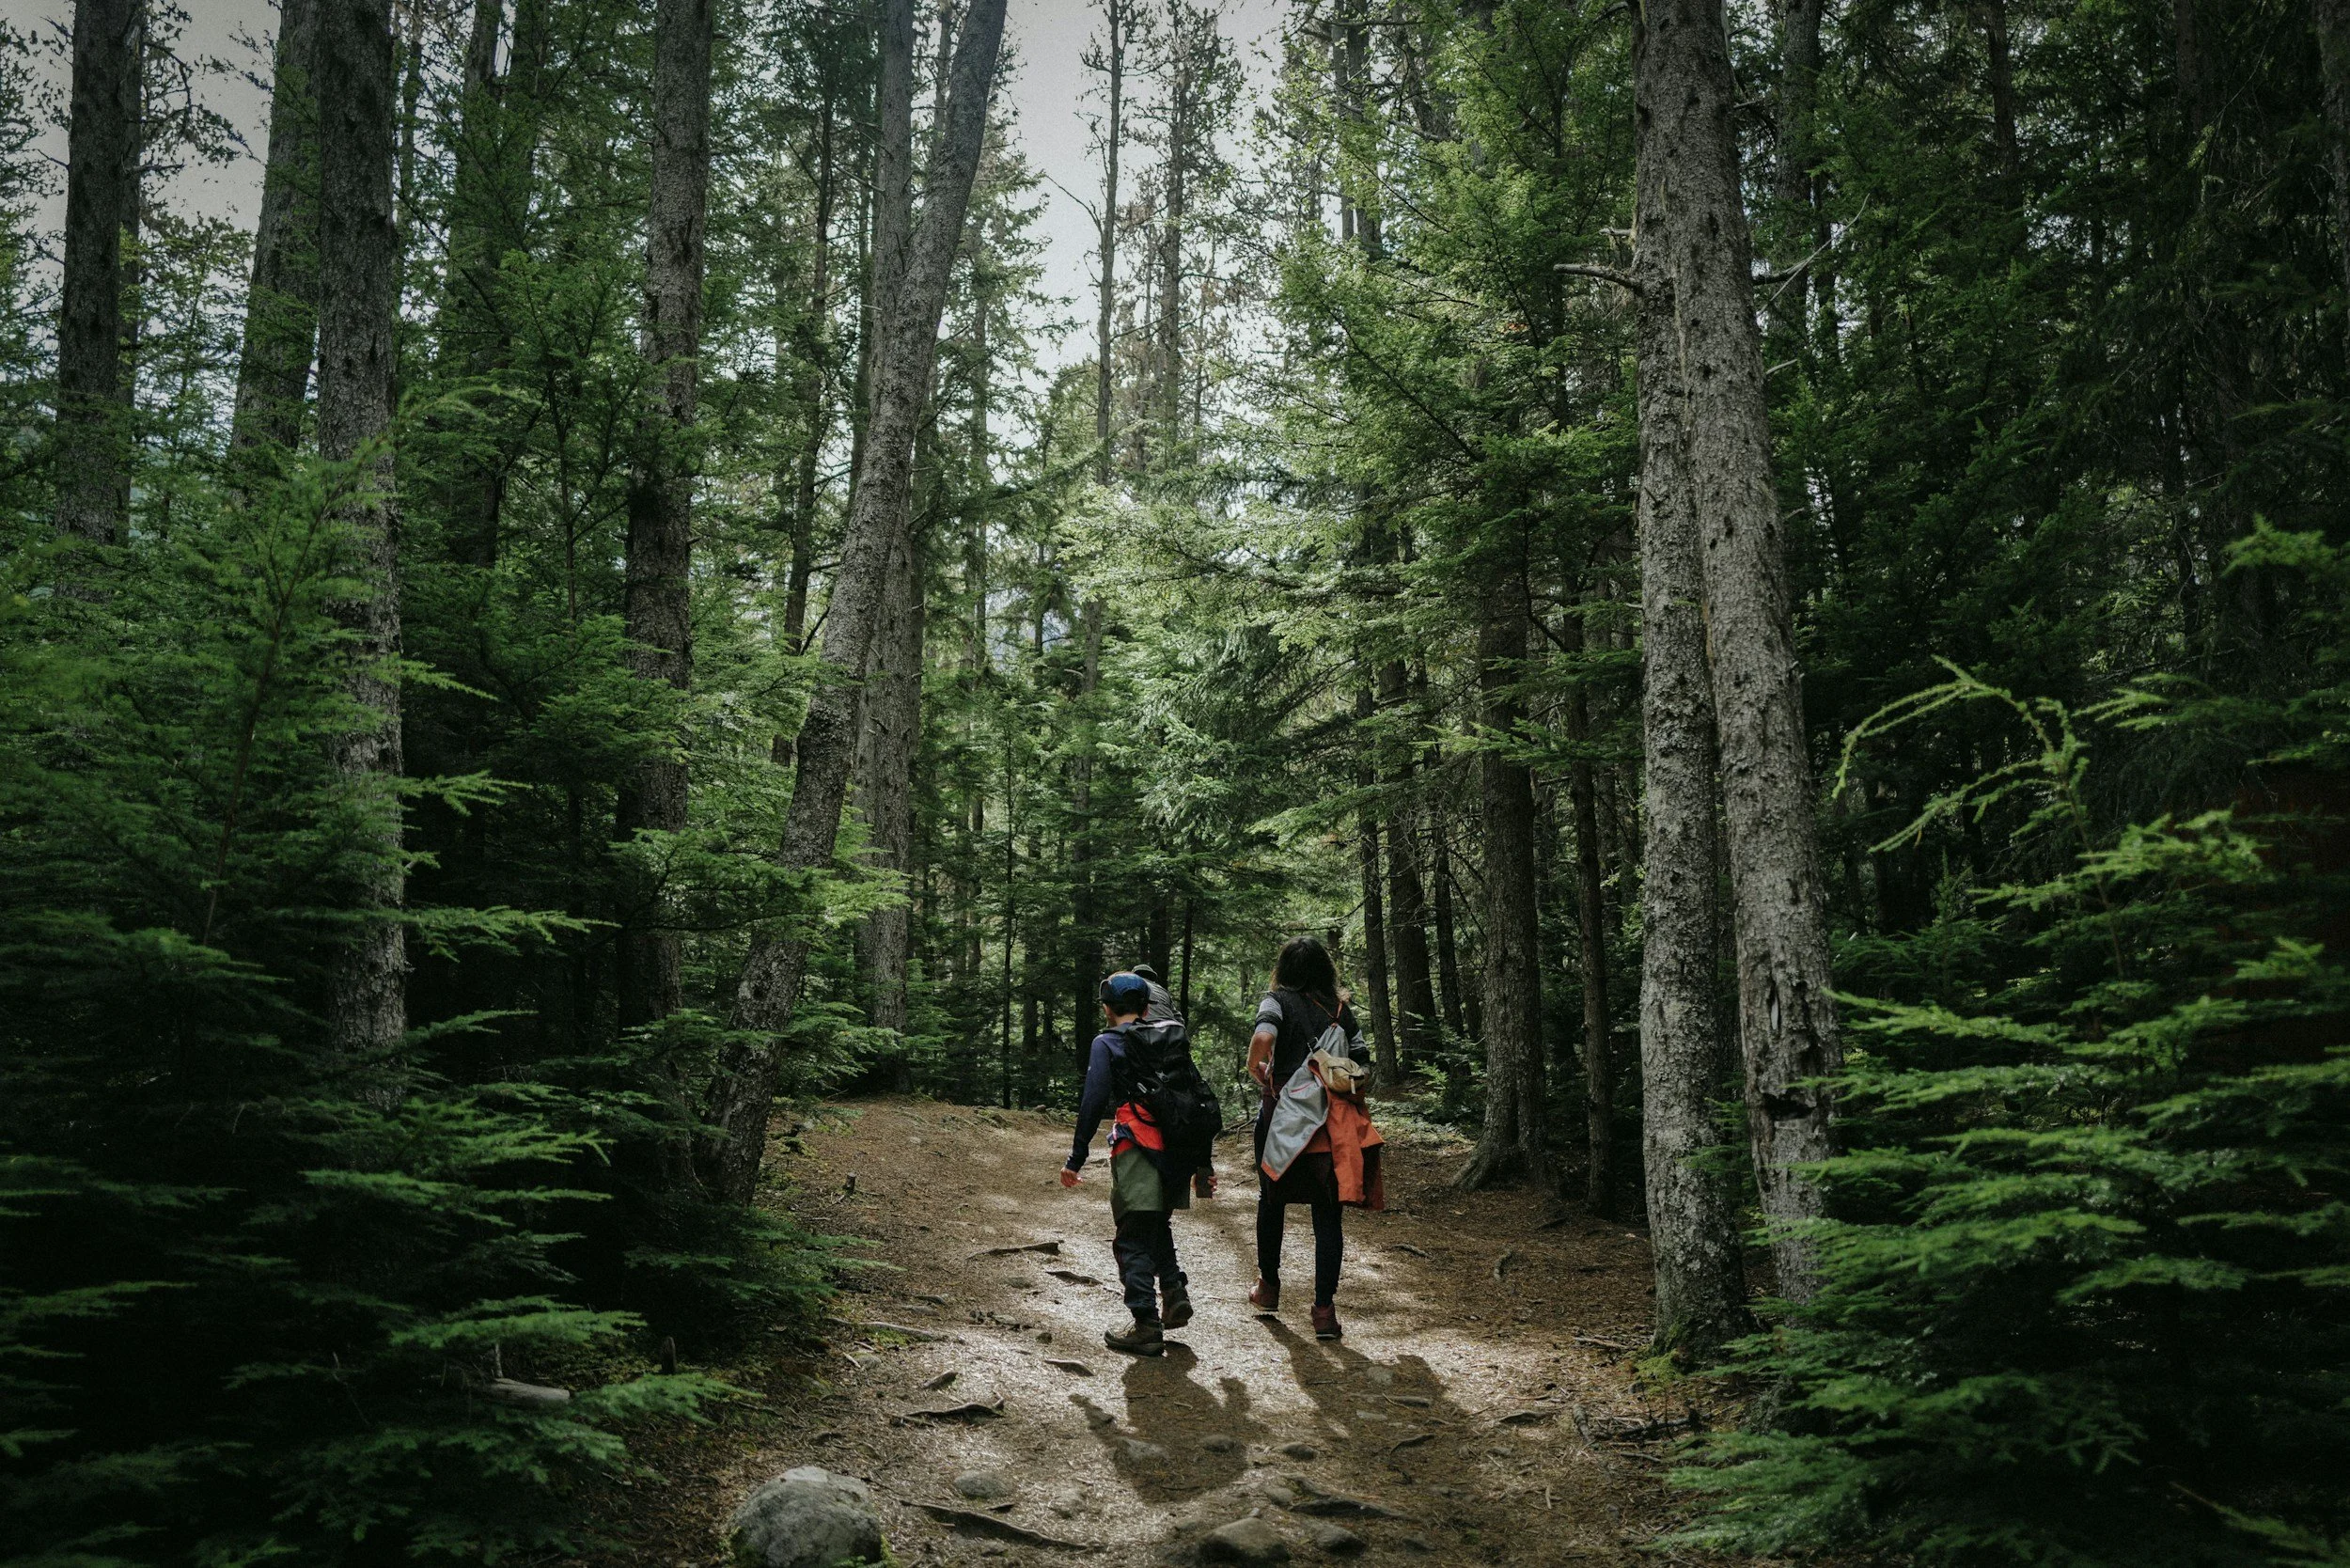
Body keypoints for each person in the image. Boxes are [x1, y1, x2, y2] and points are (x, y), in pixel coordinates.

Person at [1062, 971, 1217, 1356]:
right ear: (1147, 1007)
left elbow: (1093, 1103)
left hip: (1138, 1146)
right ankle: (1173, 1291)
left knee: (1132, 1231)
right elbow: (1198, 1098)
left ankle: (1146, 1324)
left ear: (1107, 1009)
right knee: (1155, 1222)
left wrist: (1075, 1158)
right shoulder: (1171, 1039)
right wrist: (1203, 1164)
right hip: (1176, 1149)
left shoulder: (1107, 1043)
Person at [1246, 935, 1371, 1341]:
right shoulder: (1340, 1009)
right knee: (1328, 1215)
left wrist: (1257, 1067)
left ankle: (1268, 1289)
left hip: (1281, 1119)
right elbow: (1362, 1062)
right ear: (1324, 970)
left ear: (1284, 969)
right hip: (1329, 1126)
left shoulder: (1276, 1001)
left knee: (1271, 1200)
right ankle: (1323, 1312)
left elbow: (1264, 1038)